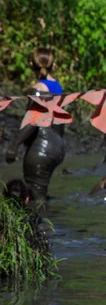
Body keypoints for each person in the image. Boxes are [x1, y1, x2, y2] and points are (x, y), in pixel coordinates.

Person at [6, 48, 65, 205]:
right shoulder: (57, 87)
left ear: (31, 64)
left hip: (41, 146)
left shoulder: (39, 89)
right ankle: (50, 223)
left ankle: (41, 227)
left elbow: (33, 120)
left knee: (34, 196)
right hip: (57, 144)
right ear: (54, 65)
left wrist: (13, 146)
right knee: (41, 193)